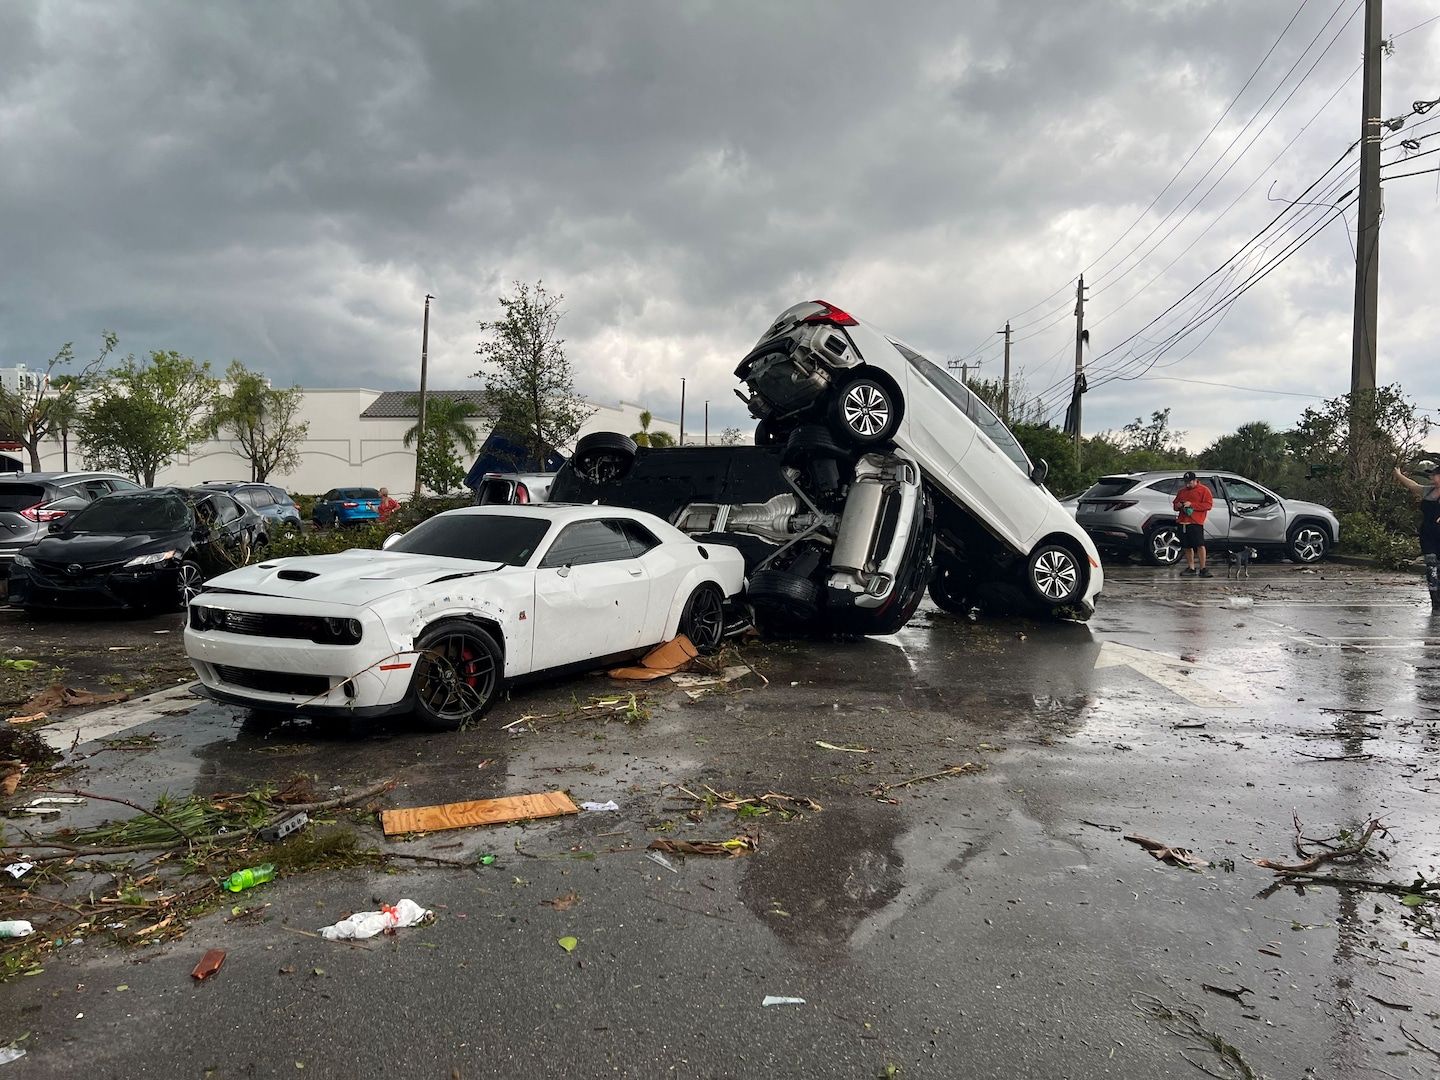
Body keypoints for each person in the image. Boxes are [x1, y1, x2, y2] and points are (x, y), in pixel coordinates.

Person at [1393, 463, 1440, 610]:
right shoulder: (1428, 491)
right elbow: (1413, 486)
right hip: (1428, 535)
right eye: (1431, 475)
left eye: (1435, 474)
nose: (1432, 477)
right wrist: (1399, 475)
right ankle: (1435, 601)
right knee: (1431, 566)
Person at [1173, 471, 1215, 577]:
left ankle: (1203, 568)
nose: (1187, 484)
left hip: (1196, 522)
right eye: (1186, 482)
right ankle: (1191, 567)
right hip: (1183, 521)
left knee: (1199, 545)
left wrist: (1192, 505)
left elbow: (1208, 505)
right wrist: (1178, 505)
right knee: (1187, 546)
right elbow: (1175, 504)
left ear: (1195, 480)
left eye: (1190, 482)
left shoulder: (1204, 490)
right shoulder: (1181, 491)